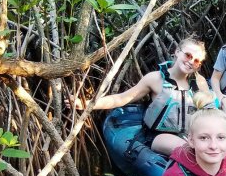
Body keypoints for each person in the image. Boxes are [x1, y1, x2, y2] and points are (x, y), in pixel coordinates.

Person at [80, 37, 211, 155]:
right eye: (188, 55)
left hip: (187, 135)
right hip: (157, 136)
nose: (191, 62)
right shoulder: (155, 79)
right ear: (177, 52)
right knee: (193, 151)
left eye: (196, 61)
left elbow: (210, 114)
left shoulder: (200, 83)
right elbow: (121, 99)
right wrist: (87, 104)